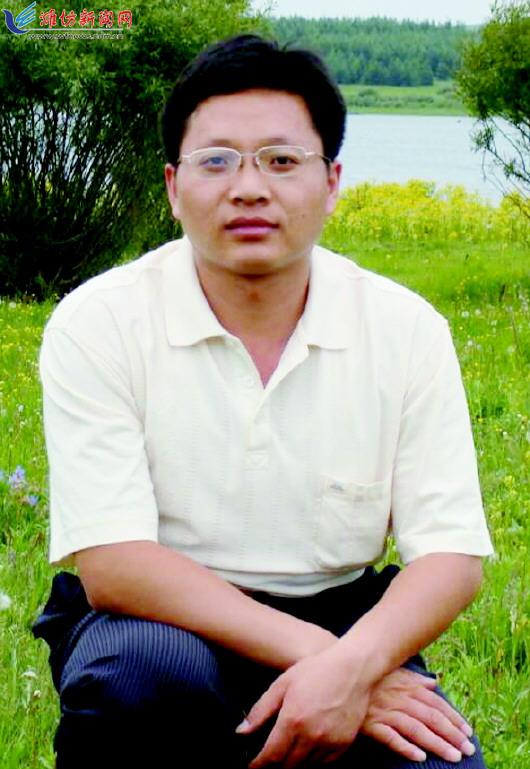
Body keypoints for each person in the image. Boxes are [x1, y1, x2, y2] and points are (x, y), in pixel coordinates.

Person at [33, 34, 494, 769]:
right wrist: (331, 663)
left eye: (281, 161)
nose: (249, 188)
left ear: (331, 182)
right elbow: (115, 564)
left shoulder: (405, 328)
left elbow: (451, 555)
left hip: (344, 615)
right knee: (140, 682)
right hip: (157, 621)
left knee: (442, 763)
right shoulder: (100, 321)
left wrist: (355, 663)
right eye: (217, 161)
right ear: (173, 186)